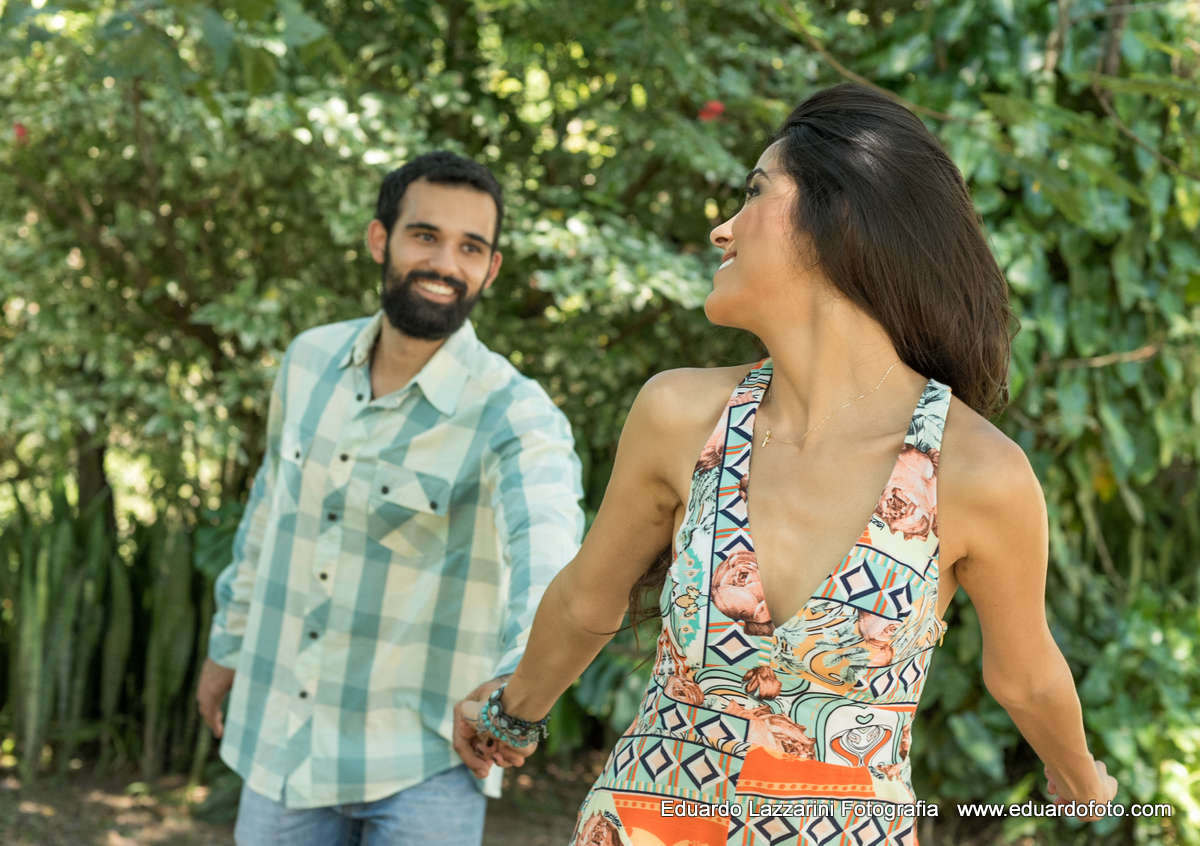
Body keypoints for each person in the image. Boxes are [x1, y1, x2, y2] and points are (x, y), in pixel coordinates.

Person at [454, 85, 1118, 845]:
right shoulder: (679, 415)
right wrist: (510, 717)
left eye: (753, 194)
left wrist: (1080, 778)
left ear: (839, 218)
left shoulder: (977, 472)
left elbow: (1025, 673)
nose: (721, 228)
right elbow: (585, 602)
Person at [196, 151, 585, 846]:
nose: (445, 262)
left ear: (490, 270)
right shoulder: (307, 360)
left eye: (471, 247)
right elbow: (267, 514)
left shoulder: (514, 413)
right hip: (281, 743)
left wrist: (514, 690)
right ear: (382, 240)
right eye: (425, 236)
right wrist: (227, 646)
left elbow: (550, 552)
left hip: (425, 763)